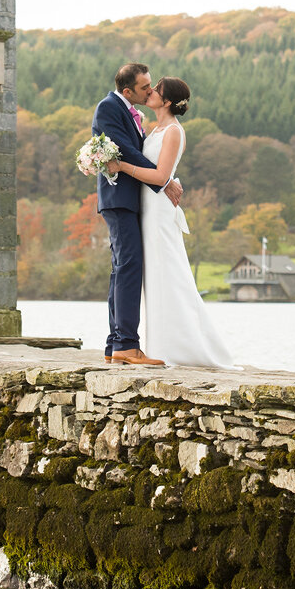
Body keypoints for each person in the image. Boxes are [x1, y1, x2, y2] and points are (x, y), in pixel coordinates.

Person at [107, 77, 237, 369]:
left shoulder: (174, 132)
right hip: (146, 207)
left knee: (168, 272)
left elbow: (158, 175)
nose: (149, 92)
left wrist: (122, 166)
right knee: (154, 275)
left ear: (166, 102)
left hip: (159, 212)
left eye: (155, 91)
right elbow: (155, 170)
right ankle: (161, 345)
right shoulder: (154, 129)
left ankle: (182, 346)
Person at [93, 63, 182, 365]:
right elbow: (127, 151)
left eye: (152, 86)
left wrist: (164, 178)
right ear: (128, 90)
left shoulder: (133, 113)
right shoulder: (109, 107)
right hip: (119, 198)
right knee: (129, 266)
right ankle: (127, 345)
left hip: (130, 199)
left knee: (122, 268)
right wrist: (164, 180)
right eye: (145, 87)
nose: (150, 91)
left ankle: (115, 345)